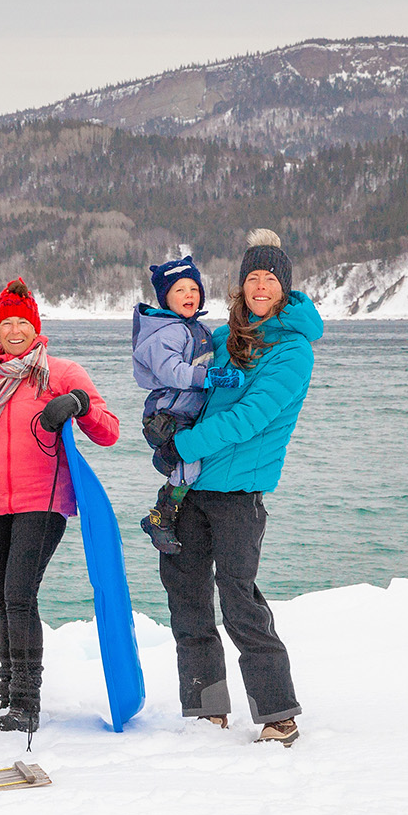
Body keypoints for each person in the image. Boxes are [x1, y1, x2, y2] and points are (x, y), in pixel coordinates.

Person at [164, 229, 323, 746]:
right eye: (252, 277)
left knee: (238, 600)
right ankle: (205, 709)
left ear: (284, 287)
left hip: (239, 494)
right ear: (240, 285)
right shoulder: (227, 337)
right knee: (186, 596)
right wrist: (161, 425)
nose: (260, 286)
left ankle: (278, 714)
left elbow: (251, 417)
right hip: (191, 490)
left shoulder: (293, 351)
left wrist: (184, 445)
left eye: (270, 278)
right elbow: (192, 386)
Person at [0, 278, 120, 734]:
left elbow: (109, 430)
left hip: (42, 501)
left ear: (36, 327)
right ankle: (8, 689)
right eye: (7, 324)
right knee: (3, 600)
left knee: (20, 595)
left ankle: (26, 700)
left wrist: (78, 402)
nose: (16, 330)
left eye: (23, 322)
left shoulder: (60, 372)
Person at [132, 255, 245, 556]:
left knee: (196, 464)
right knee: (190, 469)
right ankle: (160, 517)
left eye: (193, 289)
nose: (189, 296)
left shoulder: (198, 329)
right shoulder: (166, 333)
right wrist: (210, 377)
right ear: (165, 299)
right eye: (180, 290)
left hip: (187, 415)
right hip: (166, 416)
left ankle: (170, 472)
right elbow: (173, 372)